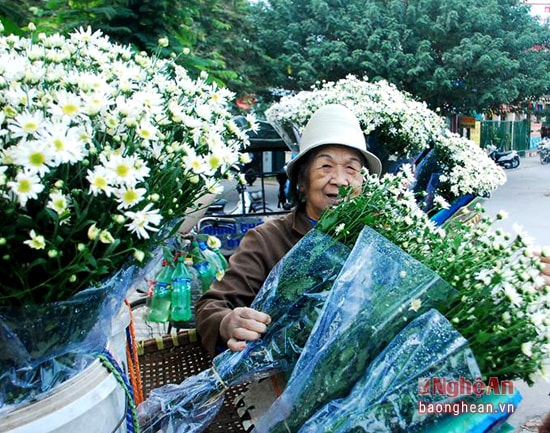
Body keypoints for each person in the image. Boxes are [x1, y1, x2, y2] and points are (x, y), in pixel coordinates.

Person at [195, 104, 382, 356]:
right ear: (302, 183)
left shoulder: (378, 240)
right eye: (325, 167)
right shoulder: (266, 240)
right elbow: (212, 305)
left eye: (351, 168)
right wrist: (228, 322)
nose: (339, 179)